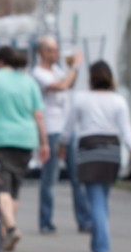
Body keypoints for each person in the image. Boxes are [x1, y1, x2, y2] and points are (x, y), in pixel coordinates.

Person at [58, 61, 131, 252]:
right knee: (102, 198)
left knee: (95, 198)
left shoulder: (81, 99)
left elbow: (68, 127)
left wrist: (61, 146)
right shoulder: (118, 100)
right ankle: (98, 240)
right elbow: (127, 132)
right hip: (111, 150)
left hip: (89, 149)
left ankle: (101, 245)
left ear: (91, 78)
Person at [0, 44, 49, 252]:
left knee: (0, 188)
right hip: (26, 140)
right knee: (13, 191)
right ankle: (5, 240)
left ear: (0, 60)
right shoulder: (29, 82)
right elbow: (38, 115)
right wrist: (45, 143)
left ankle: (10, 229)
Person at [32, 36, 91, 235]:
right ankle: (45, 221)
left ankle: (84, 220)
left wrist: (73, 70)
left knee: (78, 176)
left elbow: (69, 84)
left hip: (66, 127)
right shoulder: (38, 73)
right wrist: (74, 67)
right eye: (51, 50)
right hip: (51, 128)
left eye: (56, 50)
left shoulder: (57, 70)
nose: (55, 54)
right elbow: (61, 86)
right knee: (50, 178)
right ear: (42, 52)